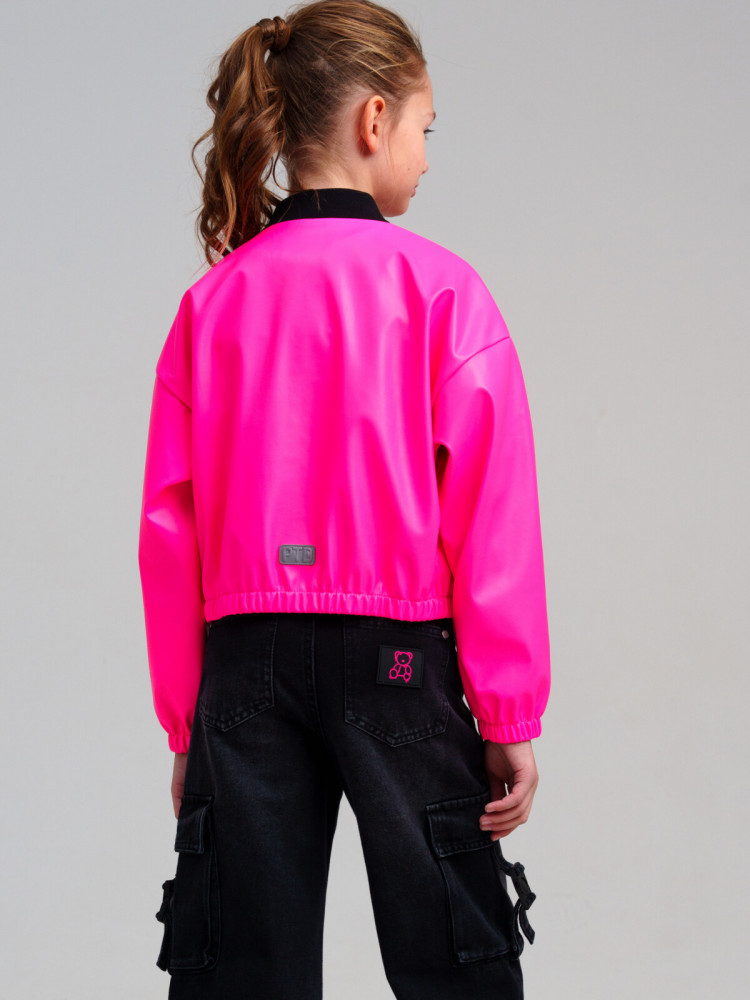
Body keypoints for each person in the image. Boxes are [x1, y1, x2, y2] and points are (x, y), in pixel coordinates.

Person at [138, 2, 551, 997]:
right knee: (456, 958)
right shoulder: (443, 291)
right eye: (425, 128)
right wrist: (507, 711)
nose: (426, 155)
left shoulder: (214, 301)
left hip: (245, 666)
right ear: (374, 120)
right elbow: (491, 516)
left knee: (240, 968)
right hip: (398, 660)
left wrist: (188, 724)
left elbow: (168, 528)